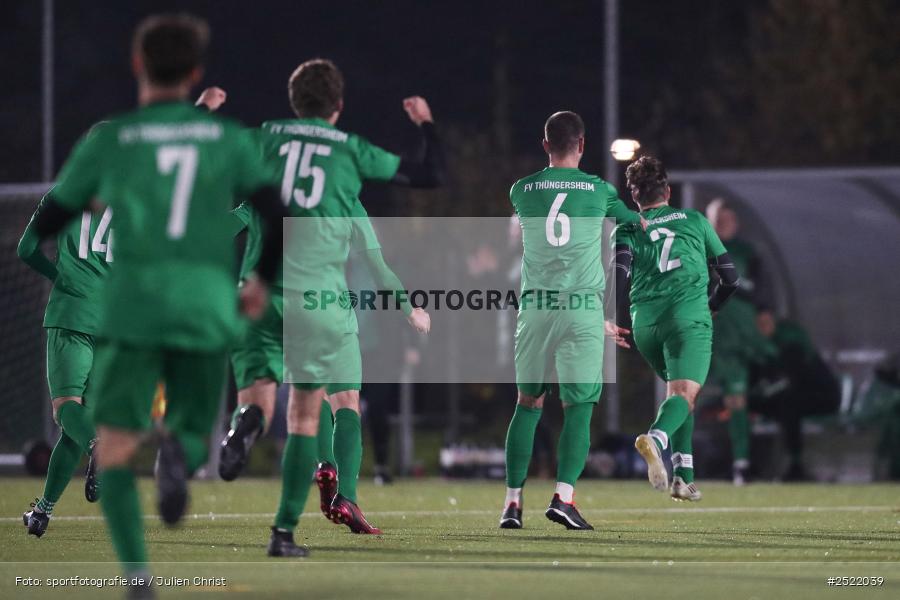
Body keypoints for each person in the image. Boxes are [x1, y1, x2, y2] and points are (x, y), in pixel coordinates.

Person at [28, 14, 285, 596]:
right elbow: (273, 206)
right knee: (194, 430)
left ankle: (138, 578)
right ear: (194, 71)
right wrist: (260, 281)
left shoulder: (110, 138)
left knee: (115, 444)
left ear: (137, 65)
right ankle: (179, 452)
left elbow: (50, 218)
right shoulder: (227, 138)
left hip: (131, 306)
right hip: (204, 302)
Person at [217, 58, 442, 555]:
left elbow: (219, 224)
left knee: (276, 400)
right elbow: (380, 265)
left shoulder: (264, 162)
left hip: (258, 297)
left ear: (293, 101)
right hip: (325, 309)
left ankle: (248, 426)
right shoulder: (347, 187)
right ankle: (340, 497)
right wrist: (410, 308)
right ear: (337, 107)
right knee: (342, 405)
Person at [500, 111, 641, 531]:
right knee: (578, 409)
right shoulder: (600, 190)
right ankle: (563, 497)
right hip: (581, 309)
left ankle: (512, 504)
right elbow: (634, 221)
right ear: (582, 144)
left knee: (527, 404)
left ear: (545, 145)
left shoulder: (521, 190)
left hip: (536, 309)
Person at [609, 156, 740, 502]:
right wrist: (711, 307)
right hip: (687, 318)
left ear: (635, 197)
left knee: (681, 397)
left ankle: (684, 476)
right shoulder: (694, 220)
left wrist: (611, 317)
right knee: (683, 395)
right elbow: (730, 278)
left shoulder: (626, 227)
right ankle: (657, 438)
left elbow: (619, 275)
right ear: (667, 190)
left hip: (645, 326)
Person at [17, 187, 111, 537]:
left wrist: (60, 277)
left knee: (66, 409)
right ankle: (42, 511)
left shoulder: (66, 193)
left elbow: (26, 249)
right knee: (81, 420)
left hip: (72, 312)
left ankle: (98, 448)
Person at [705, 198, 775, 485]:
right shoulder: (701, 249)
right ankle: (680, 463)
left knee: (741, 399)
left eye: (730, 218)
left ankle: (742, 463)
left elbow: (763, 292)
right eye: (720, 219)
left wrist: (765, 313)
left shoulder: (748, 253)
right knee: (687, 395)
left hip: (744, 341)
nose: (726, 223)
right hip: (712, 338)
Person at [748, 308, 839, 480]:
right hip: (792, 397)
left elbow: (792, 380)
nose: (763, 329)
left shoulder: (792, 343)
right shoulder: (760, 347)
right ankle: (746, 464)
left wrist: (767, 393)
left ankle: (796, 466)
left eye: (766, 324)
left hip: (823, 397)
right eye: (759, 325)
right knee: (752, 404)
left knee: (790, 407)